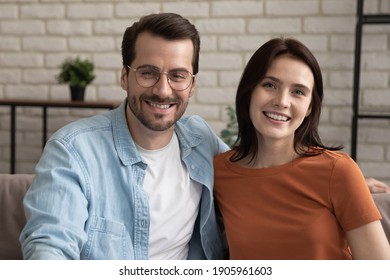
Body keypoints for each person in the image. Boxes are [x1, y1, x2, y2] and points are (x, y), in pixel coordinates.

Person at [20, 13, 229, 260]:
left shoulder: (201, 139)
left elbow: (254, 175)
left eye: (178, 76)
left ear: (192, 85)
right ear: (124, 77)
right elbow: (50, 245)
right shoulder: (73, 150)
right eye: (148, 73)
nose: (163, 90)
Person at [213, 37, 390, 260]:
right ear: (249, 93)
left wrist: (354, 188)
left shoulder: (338, 172)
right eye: (269, 85)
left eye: (298, 92)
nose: (282, 101)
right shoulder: (219, 172)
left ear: (309, 107)